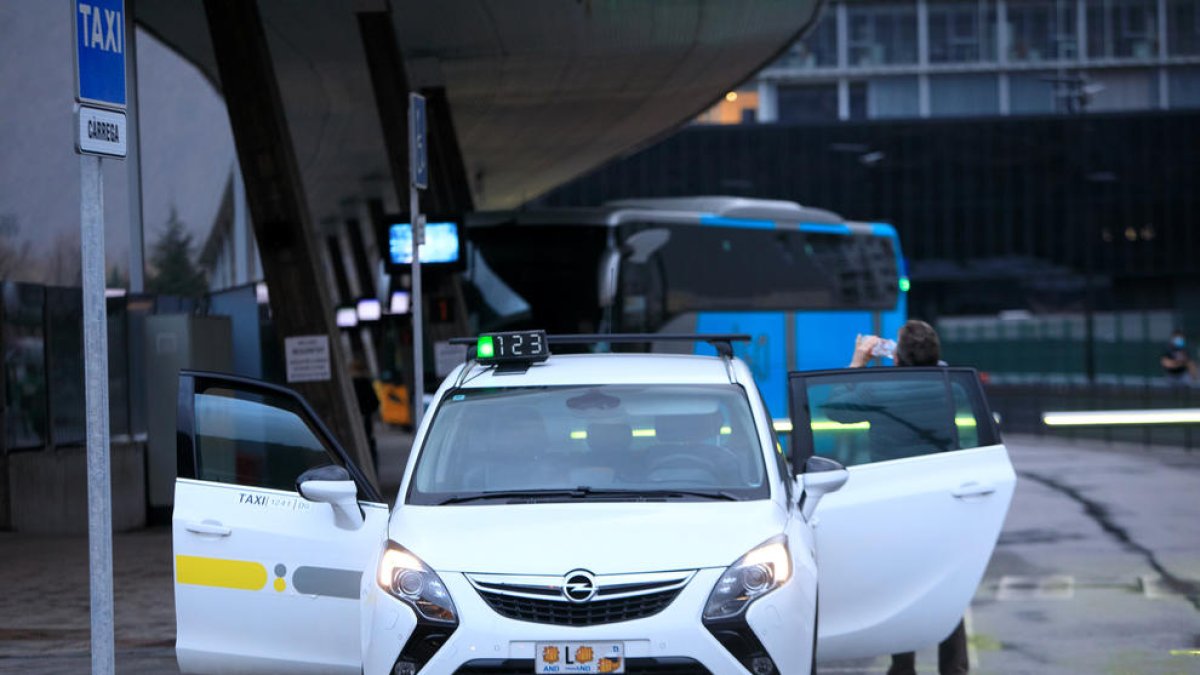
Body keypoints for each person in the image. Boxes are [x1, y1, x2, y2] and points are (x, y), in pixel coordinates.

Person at [846, 320, 970, 675]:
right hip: (943, 505)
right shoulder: (951, 388)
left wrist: (860, 360)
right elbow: (938, 371)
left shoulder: (881, 390)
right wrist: (913, 360)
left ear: (896, 355)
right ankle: (955, 669)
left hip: (896, 505)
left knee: (902, 586)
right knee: (949, 589)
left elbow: (837, 409)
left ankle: (903, 667)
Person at [350, 359, 381, 473]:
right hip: (366, 420)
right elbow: (375, 403)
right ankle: (372, 472)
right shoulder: (365, 383)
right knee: (369, 448)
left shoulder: (349, 385)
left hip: (352, 422)